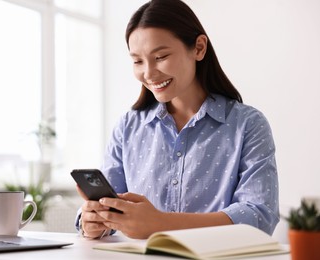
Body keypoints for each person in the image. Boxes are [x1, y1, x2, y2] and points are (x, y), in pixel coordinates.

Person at [75, 0, 279, 239]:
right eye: (138, 61)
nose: (148, 73)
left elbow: (258, 216)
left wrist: (160, 223)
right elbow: (111, 205)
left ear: (199, 48)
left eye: (160, 56)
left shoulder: (248, 125)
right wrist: (93, 221)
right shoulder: (127, 127)